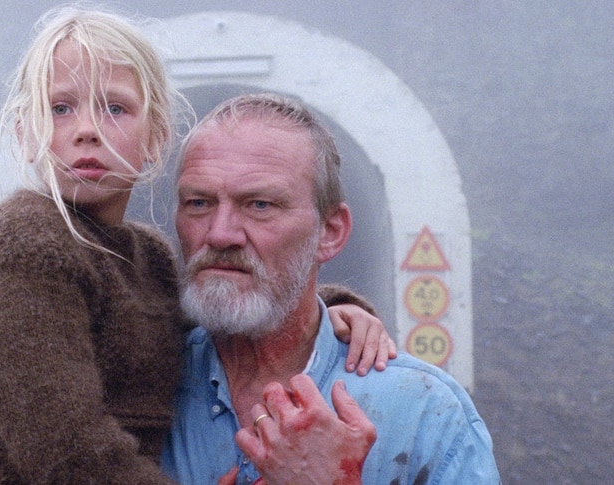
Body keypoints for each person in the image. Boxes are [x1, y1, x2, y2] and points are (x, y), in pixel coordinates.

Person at [0, 7, 392, 484]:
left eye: (115, 108)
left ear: (156, 136)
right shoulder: (23, 245)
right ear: (27, 134)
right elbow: (71, 458)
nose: (86, 130)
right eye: (60, 108)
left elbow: (220, 314)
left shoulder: (146, 257)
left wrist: (331, 311)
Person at [161, 93, 501, 484]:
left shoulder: (424, 411)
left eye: (259, 205)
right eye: (198, 202)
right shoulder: (133, 388)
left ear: (330, 232)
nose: (220, 234)